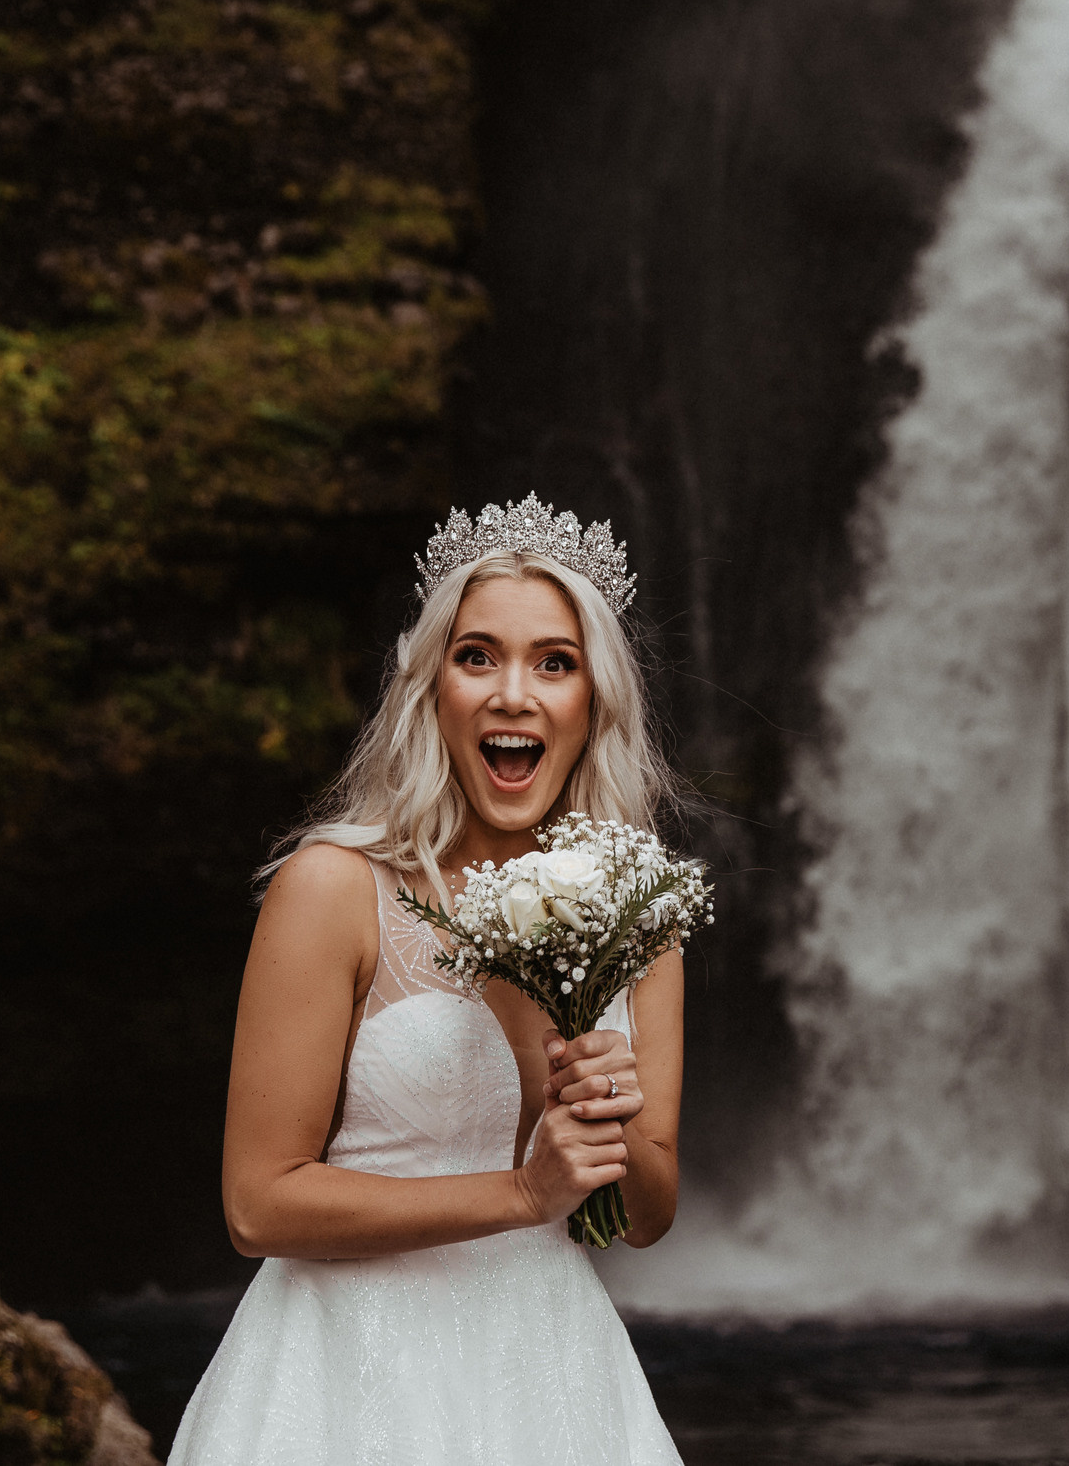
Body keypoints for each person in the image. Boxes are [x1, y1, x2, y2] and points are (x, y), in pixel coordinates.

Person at [167, 496, 688, 1465]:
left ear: (595, 700)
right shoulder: (333, 888)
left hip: (554, 1381)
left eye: (555, 662)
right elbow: (257, 1204)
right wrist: (522, 1194)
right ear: (431, 688)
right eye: (477, 656)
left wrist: (603, 1113)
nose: (513, 695)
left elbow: (647, 1216)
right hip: (344, 1379)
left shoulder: (639, 914)